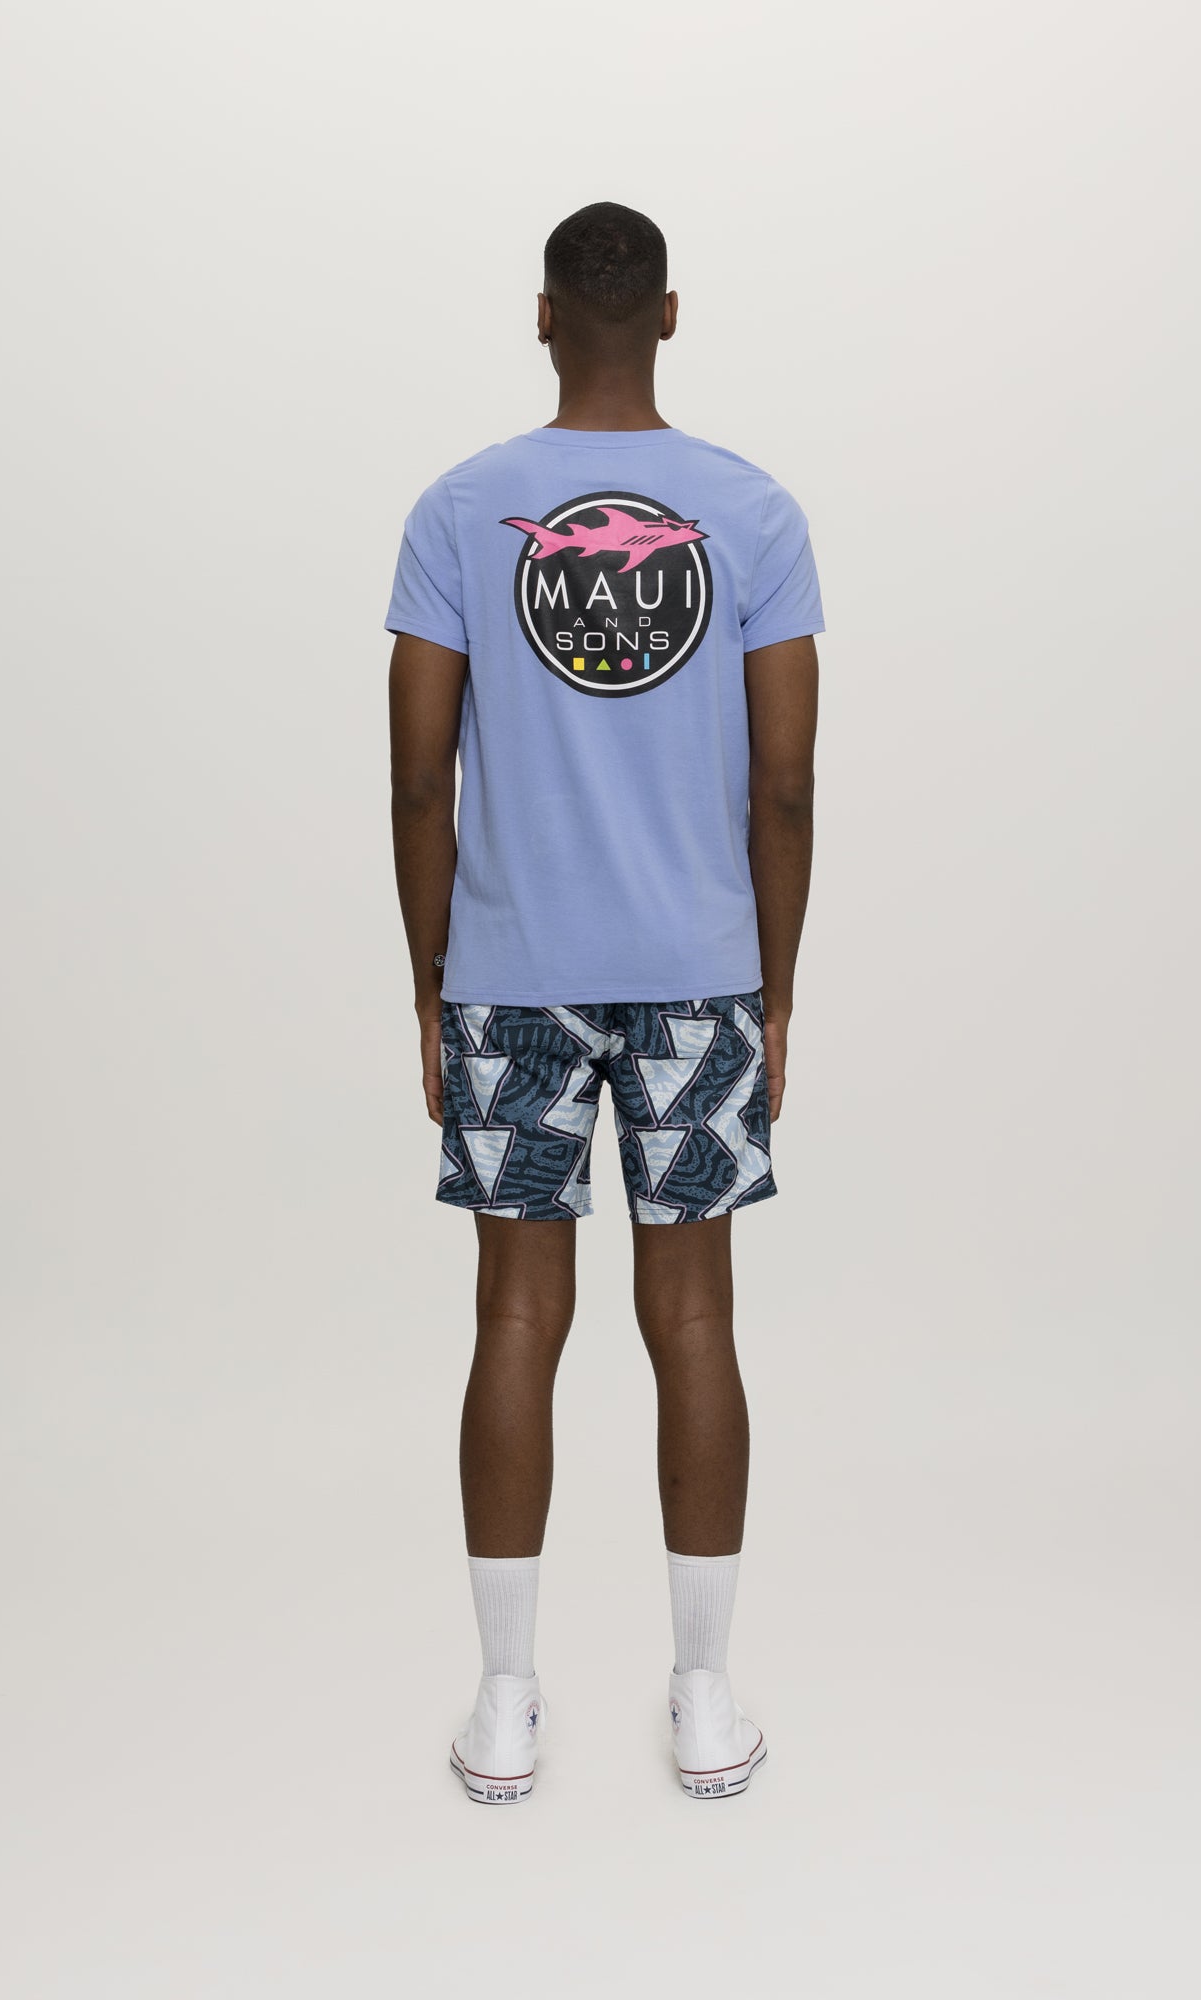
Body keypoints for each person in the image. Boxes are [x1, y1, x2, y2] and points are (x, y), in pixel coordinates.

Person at [384, 202, 823, 1803]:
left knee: (516, 1315)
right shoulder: (753, 513)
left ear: (545, 317)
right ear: (672, 315)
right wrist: (777, 993)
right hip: (700, 975)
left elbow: (416, 778)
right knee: (694, 1317)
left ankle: (506, 1701)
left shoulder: (460, 510)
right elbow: (787, 783)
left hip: (512, 978)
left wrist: (431, 985)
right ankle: (704, 1695)